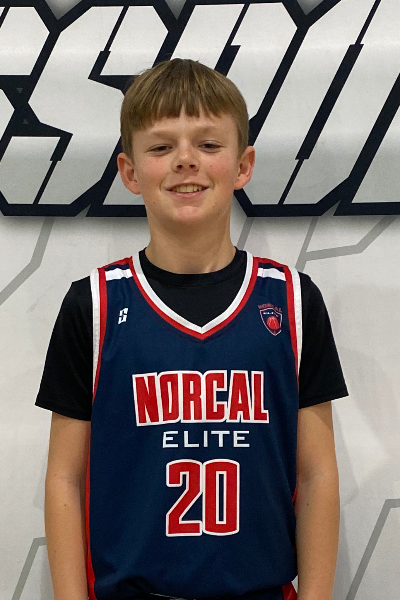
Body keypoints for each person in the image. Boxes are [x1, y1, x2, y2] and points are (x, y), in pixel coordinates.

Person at [36, 58, 348, 600]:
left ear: (243, 165)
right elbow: (65, 477)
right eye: (161, 147)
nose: (185, 160)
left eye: (207, 144)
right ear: (130, 172)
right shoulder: (94, 305)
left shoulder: (292, 300)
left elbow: (317, 474)